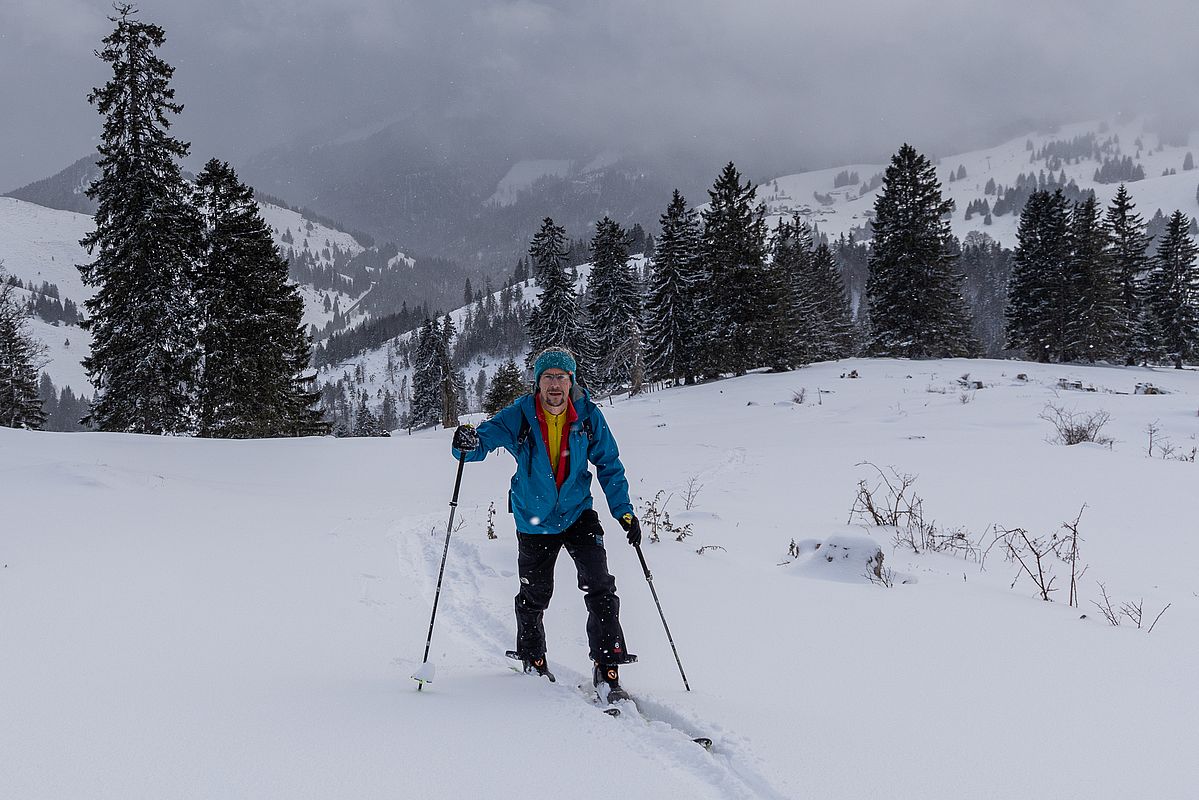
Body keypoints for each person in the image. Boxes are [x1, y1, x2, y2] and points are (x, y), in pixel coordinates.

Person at [450, 346, 643, 701]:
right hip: (533, 519)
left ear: (572, 382)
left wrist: (624, 511)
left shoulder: (587, 416)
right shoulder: (519, 416)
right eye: (548, 377)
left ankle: (607, 667)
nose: (555, 385)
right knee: (535, 595)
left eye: (562, 377)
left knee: (600, 586)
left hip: (577, 512)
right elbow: (482, 443)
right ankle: (533, 656)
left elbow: (610, 465)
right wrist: (466, 442)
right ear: (537, 382)